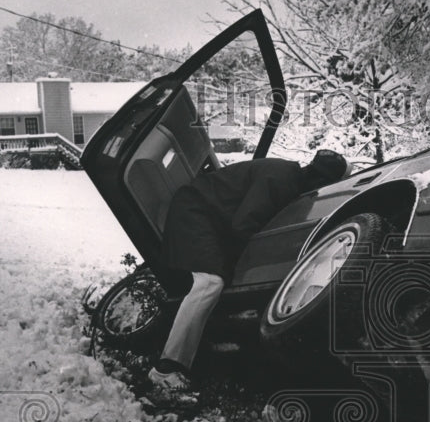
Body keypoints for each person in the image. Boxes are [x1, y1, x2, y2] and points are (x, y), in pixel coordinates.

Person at [148, 150, 350, 392]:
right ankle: (166, 369)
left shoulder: (290, 179)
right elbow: (244, 225)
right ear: (323, 179)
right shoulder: (280, 178)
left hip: (211, 217)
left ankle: (181, 364)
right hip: (195, 210)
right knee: (210, 283)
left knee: (215, 283)